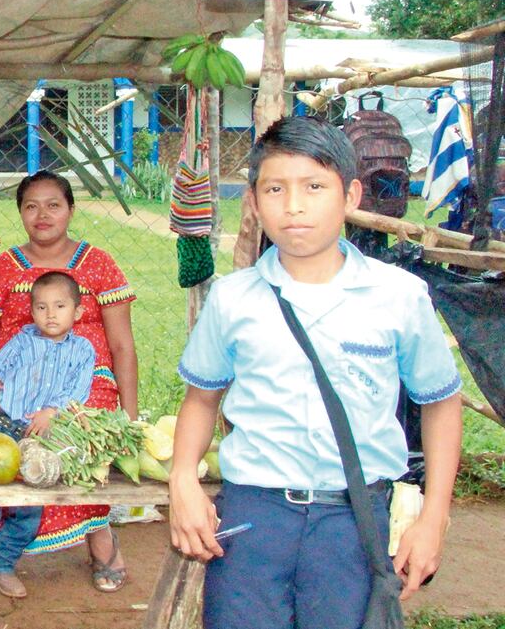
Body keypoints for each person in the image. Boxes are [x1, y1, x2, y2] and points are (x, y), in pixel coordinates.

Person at [169, 116, 463, 629]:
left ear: (350, 195)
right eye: (275, 189)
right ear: (255, 203)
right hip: (253, 516)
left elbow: (440, 404)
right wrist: (182, 483)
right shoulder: (233, 299)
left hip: (355, 518)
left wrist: (433, 518)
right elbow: (201, 399)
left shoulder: (399, 297)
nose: (294, 206)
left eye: (314, 186)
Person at [0, 169, 139, 592]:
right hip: (10, 380)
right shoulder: (4, 266)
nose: (42, 215)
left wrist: (129, 415)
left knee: (76, 439)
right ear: (20, 212)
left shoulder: (98, 264)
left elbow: (123, 346)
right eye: (31, 206)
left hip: (82, 382)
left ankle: (100, 538)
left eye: (53, 205)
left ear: (71, 210)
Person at [0, 271, 97, 606]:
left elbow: (78, 391)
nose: (50, 314)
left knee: (28, 512)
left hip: (42, 437)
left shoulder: (82, 350)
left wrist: (54, 410)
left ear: (77, 312)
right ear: (31, 311)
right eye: (42, 307)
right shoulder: (22, 341)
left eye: (60, 306)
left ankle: (2, 565)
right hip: (3, 428)